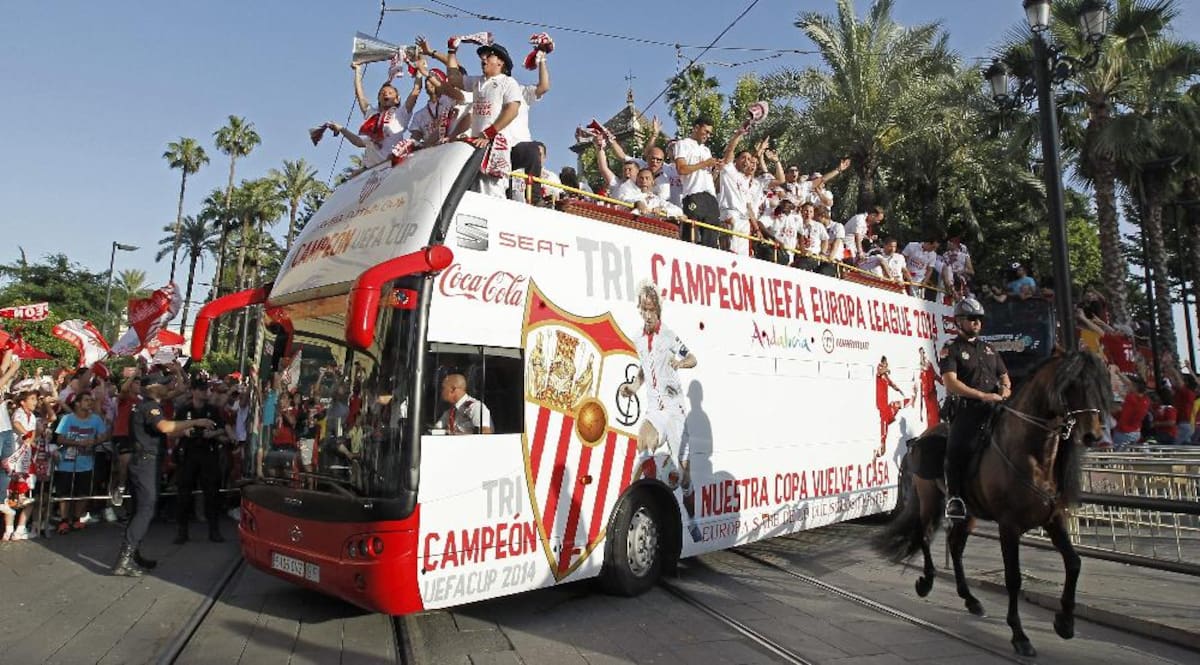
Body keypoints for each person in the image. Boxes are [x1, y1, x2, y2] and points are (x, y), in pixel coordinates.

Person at [113, 374, 216, 576]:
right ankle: (124, 560)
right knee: (146, 509)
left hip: (144, 461)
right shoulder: (150, 407)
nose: (169, 387)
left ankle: (134, 554)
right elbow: (165, 426)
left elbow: (166, 431)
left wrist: (186, 430)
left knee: (140, 510)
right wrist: (196, 421)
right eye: (164, 384)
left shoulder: (146, 406)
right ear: (153, 387)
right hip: (145, 463)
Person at [620, 281, 699, 539]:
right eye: (644, 310)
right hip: (655, 409)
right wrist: (633, 387)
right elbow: (644, 368)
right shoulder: (638, 338)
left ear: (658, 310)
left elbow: (692, 358)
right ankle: (639, 505)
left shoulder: (669, 335)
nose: (648, 315)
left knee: (685, 475)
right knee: (642, 442)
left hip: (675, 409)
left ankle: (692, 521)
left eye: (651, 309)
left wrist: (679, 363)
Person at [939, 298, 1011, 521]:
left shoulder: (989, 349)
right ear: (959, 321)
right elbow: (951, 383)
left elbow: (1004, 376)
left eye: (979, 319)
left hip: (995, 408)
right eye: (972, 319)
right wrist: (982, 396)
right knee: (956, 448)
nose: (977, 323)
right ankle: (955, 498)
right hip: (967, 410)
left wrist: (1005, 390)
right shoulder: (951, 348)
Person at [447, 42, 523, 198]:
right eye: (483, 56)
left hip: (495, 144)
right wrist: (452, 51)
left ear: (500, 62)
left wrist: (488, 134)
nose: (484, 59)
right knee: (473, 191)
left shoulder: (507, 82)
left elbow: (512, 110)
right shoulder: (478, 81)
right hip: (477, 143)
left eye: (489, 56)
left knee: (491, 191)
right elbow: (454, 79)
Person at [173, 377, 227, 544]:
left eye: (206, 389)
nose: (205, 392)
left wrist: (212, 434)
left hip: (207, 452)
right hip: (188, 453)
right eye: (202, 389)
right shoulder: (184, 410)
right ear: (194, 391)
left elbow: (222, 428)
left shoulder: (212, 409)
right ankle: (182, 532)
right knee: (184, 493)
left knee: (212, 493)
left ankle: (214, 530)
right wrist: (185, 432)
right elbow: (173, 431)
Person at [53, 391, 108, 533]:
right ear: (77, 403)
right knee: (64, 493)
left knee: (83, 492)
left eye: (91, 400)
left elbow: (104, 435)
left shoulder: (95, 419)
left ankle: (77, 518)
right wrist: (78, 442)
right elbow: (59, 438)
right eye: (86, 400)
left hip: (86, 462)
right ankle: (64, 520)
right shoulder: (67, 419)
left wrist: (94, 441)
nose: (90, 403)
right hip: (67, 462)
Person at [674, 116, 723, 247]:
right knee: (691, 237)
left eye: (710, 133)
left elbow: (709, 177)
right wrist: (705, 163)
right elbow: (681, 169)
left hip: (711, 197)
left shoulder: (706, 150)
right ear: (696, 128)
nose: (708, 136)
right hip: (693, 193)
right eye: (706, 131)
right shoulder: (682, 144)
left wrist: (717, 170)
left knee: (711, 239)